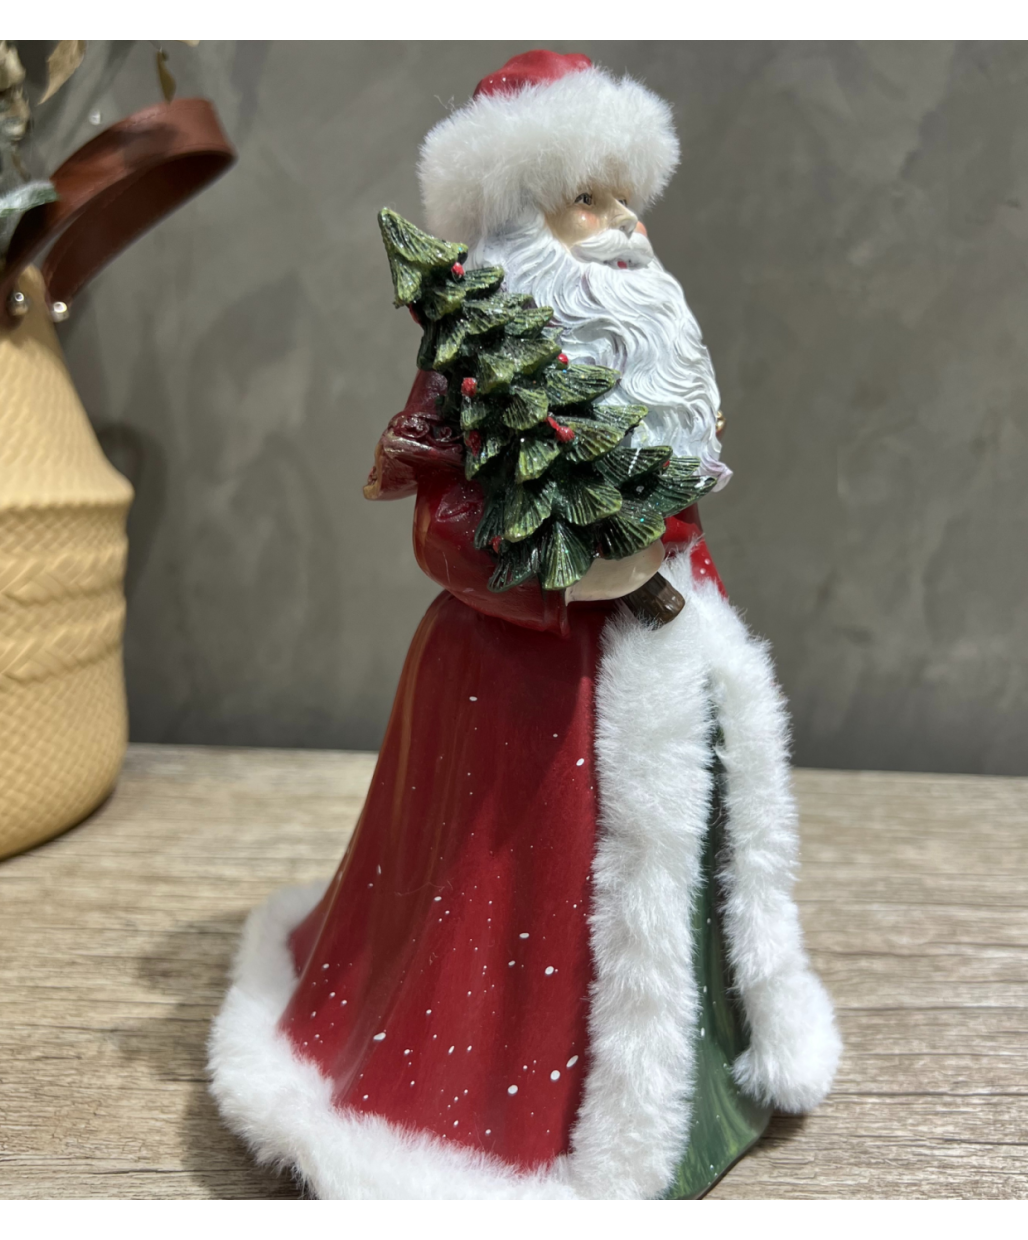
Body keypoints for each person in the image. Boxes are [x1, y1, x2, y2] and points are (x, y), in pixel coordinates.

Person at [209, 50, 840, 1200]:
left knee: (683, 866)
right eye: (587, 199)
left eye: (625, 199)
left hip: (666, 647)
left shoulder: (647, 337)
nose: (623, 226)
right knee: (530, 890)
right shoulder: (473, 365)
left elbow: (675, 496)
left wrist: (667, 564)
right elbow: (443, 524)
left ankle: (701, 1063)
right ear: (520, 220)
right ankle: (511, 1108)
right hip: (517, 687)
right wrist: (558, 578)